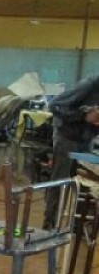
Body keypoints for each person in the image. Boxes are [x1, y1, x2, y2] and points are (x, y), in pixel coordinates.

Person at [43, 75, 99, 229]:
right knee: (61, 178)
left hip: (86, 137)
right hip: (67, 135)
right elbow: (55, 105)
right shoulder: (90, 85)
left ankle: (78, 224)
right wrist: (84, 116)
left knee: (84, 179)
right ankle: (50, 221)